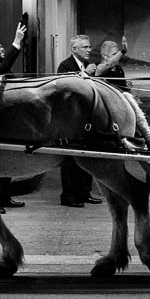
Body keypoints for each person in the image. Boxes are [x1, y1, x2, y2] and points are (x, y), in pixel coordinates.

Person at [0, 22, 29, 211]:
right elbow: (4, 67)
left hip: (7, 121)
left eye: (2, 47)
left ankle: (4, 197)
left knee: (7, 161)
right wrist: (16, 42)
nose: (1, 49)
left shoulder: (0, 65)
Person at [55, 34, 102, 207]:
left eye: (89, 47)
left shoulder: (87, 65)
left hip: (86, 117)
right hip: (71, 119)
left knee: (86, 156)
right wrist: (84, 74)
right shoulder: (65, 66)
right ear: (74, 49)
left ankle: (84, 192)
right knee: (71, 159)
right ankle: (69, 196)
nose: (89, 50)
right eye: (85, 47)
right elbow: (64, 88)